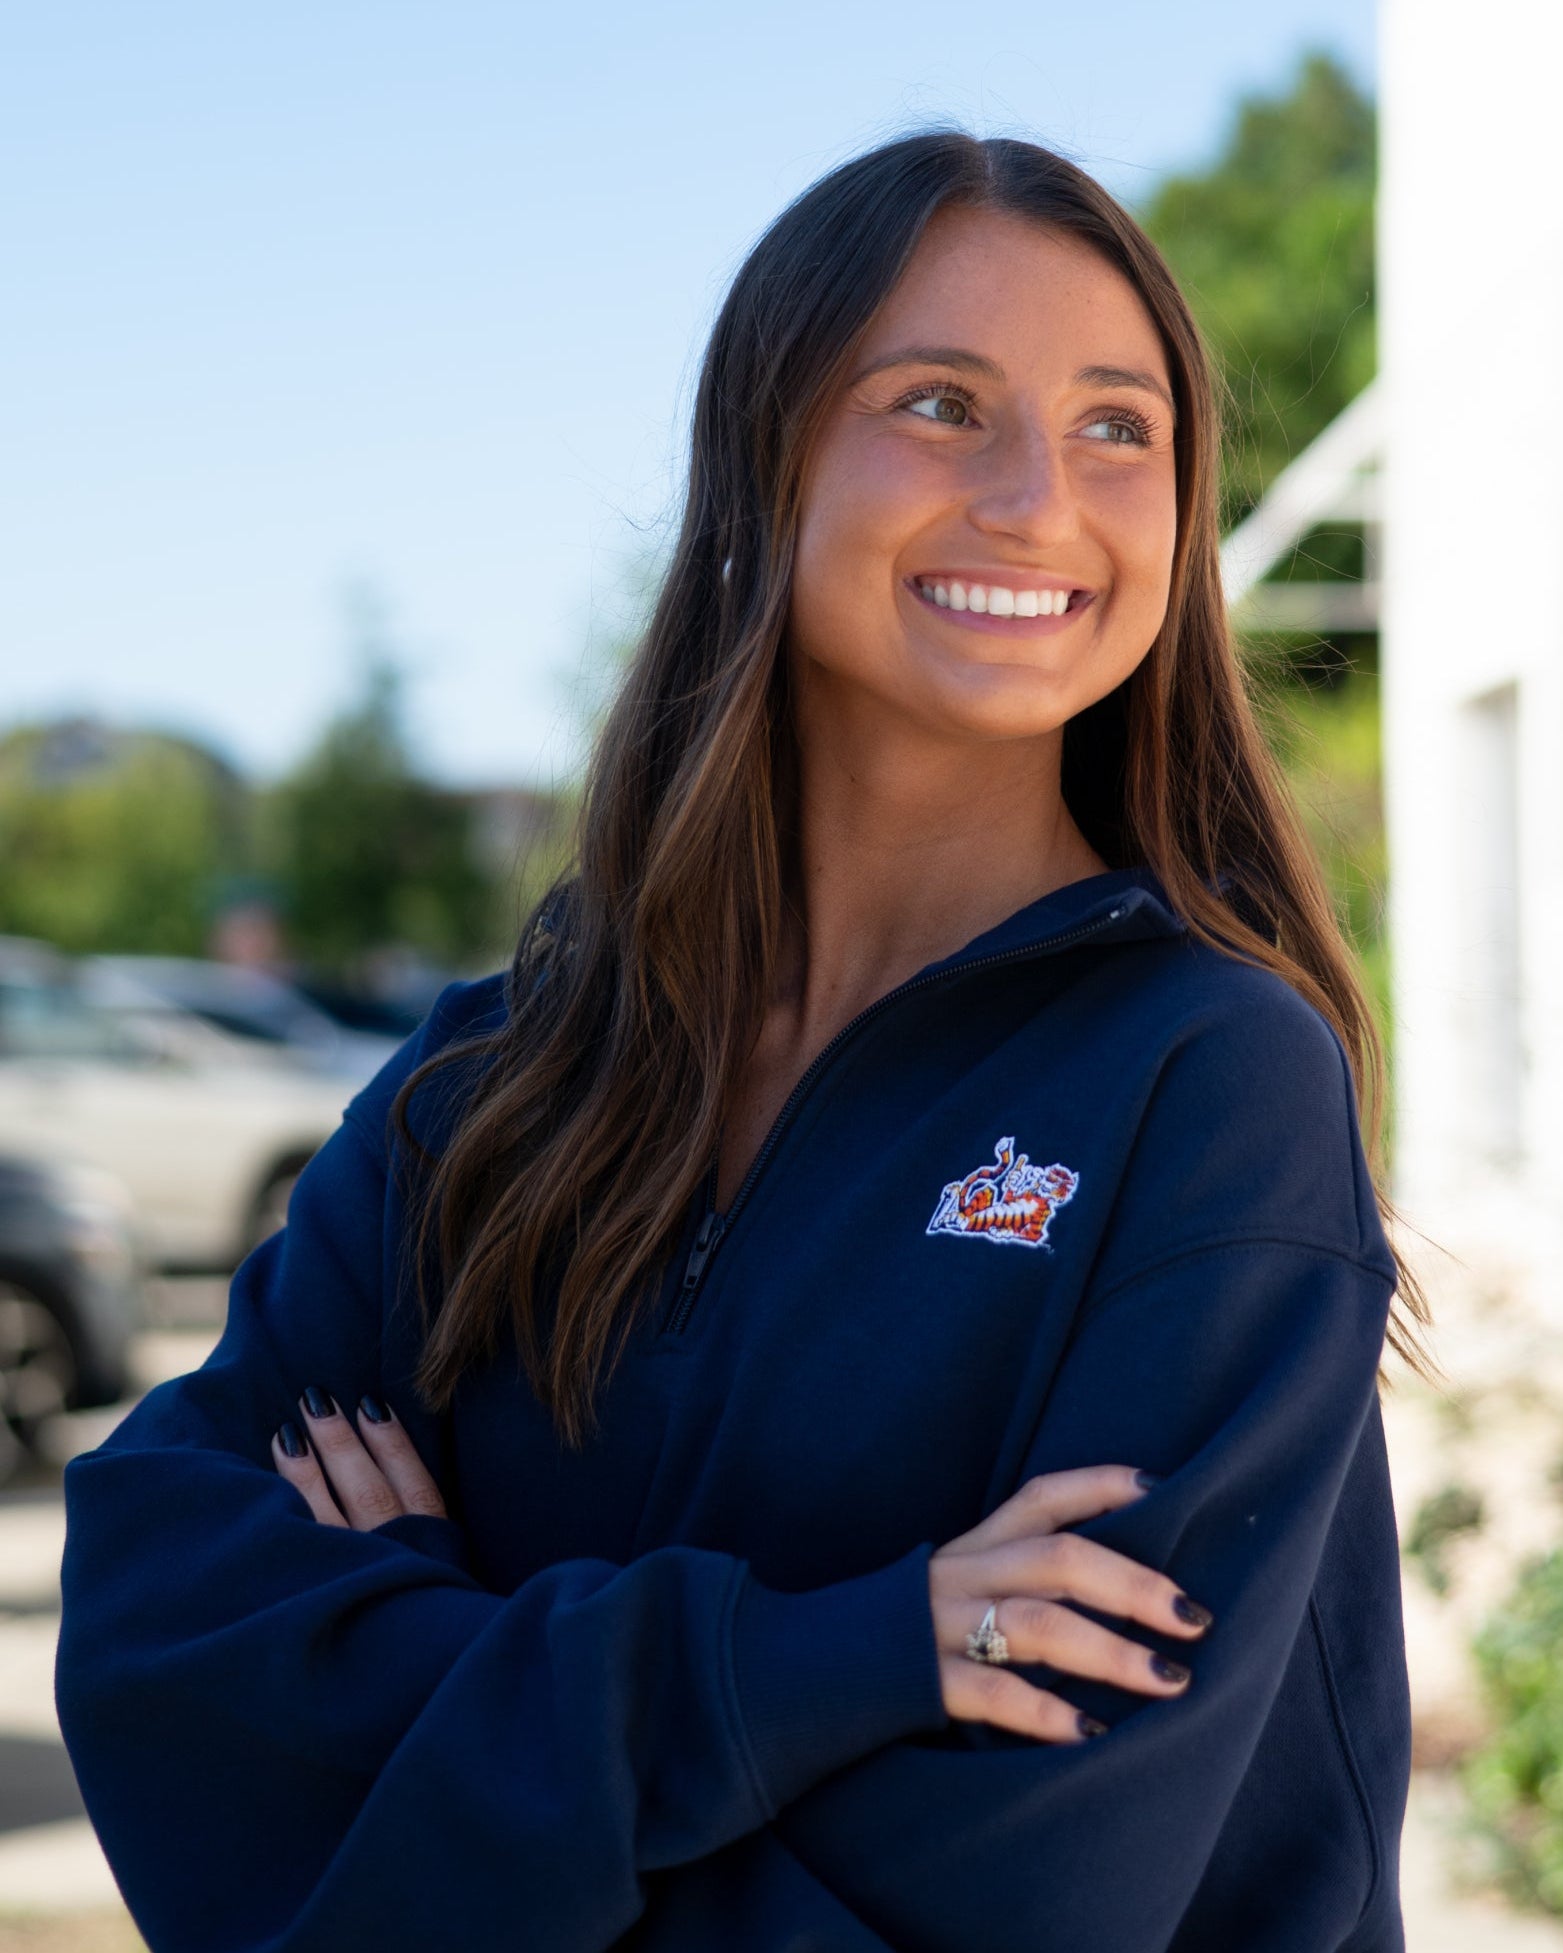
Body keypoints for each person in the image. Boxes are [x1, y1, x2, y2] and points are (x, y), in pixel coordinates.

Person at [55, 132, 1428, 1952]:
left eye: (1121, 426)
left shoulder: (1211, 1082)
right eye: (941, 403)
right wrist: (802, 1671)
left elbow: (1035, 1894)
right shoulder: (506, 1084)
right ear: (759, 460)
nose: (1040, 497)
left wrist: (422, 1674)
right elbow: (161, 1628)